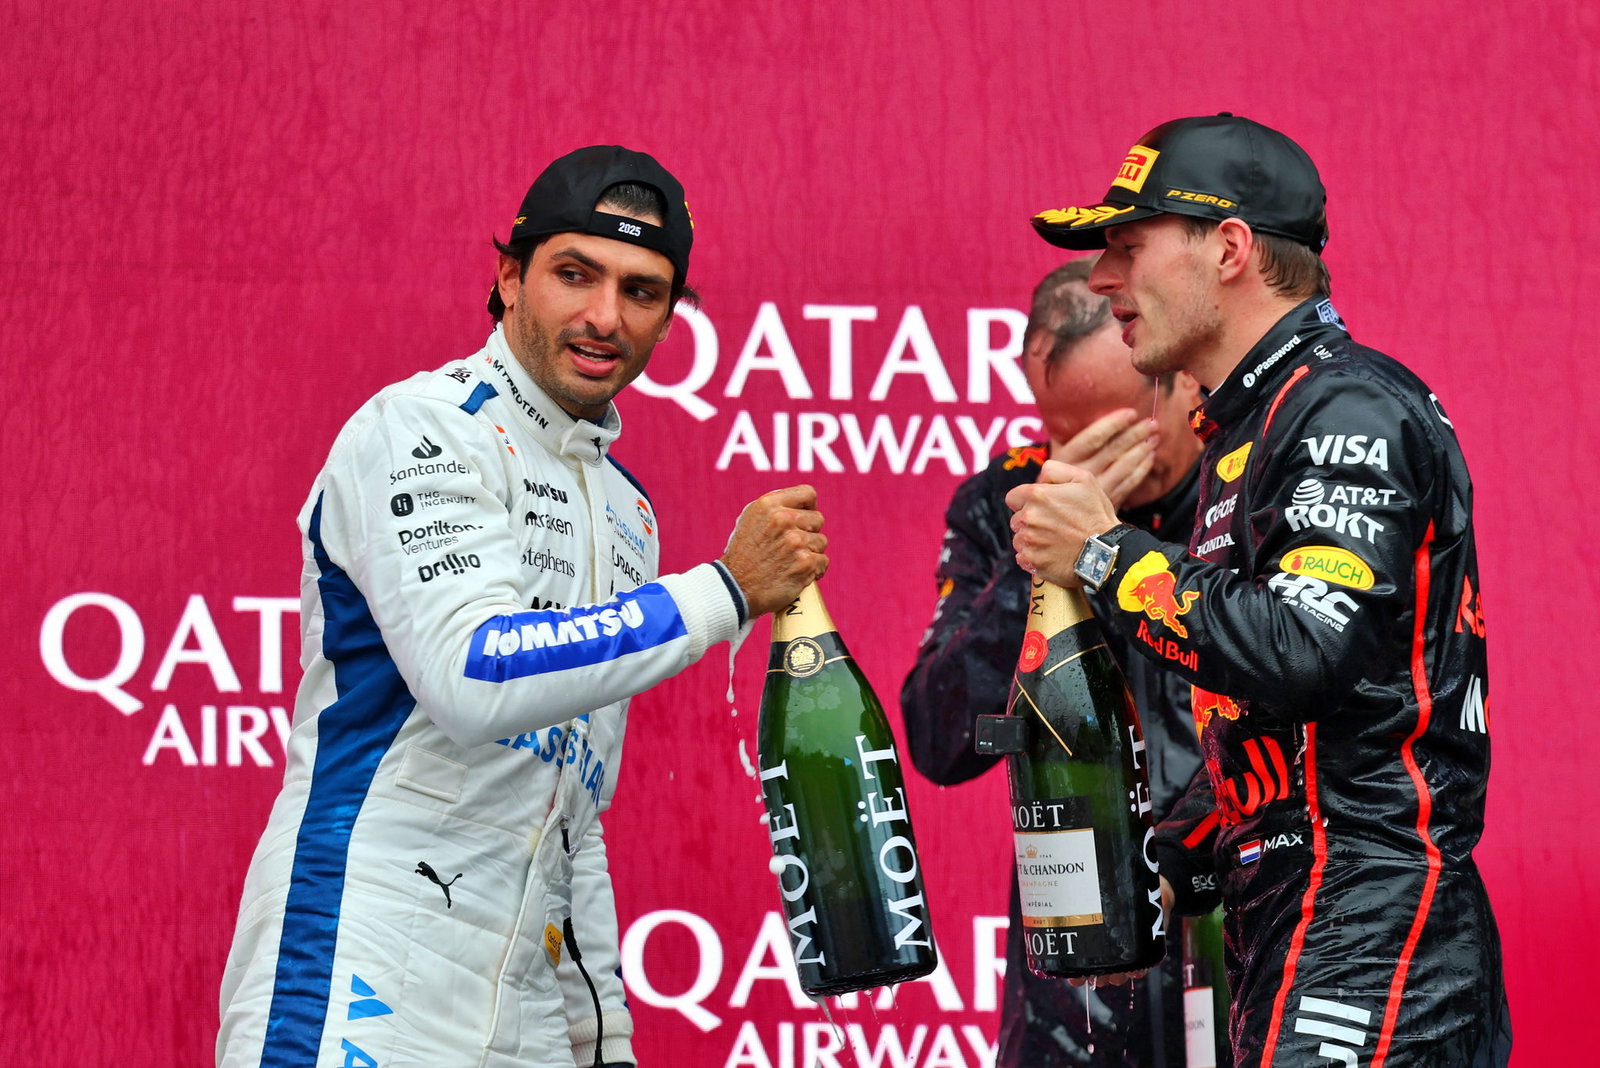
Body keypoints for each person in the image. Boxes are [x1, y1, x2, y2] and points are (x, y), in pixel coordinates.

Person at [216, 146, 828, 1068]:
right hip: (364, 960)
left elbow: (570, 812)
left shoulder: (628, 512)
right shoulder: (422, 428)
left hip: (528, 1012)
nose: (603, 317)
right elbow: (474, 675)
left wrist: (604, 1035)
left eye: (642, 291)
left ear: (670, 319)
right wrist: (726, 592)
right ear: (509, 277)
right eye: (574, 274)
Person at [1010, 113, 1511, 1065]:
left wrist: (1107, 554)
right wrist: (1171, 854)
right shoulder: (1249, 425)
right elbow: (1291, 720)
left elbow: (1307, 649)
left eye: (1127, 247)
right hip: (1301, 919)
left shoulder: (1343, 406)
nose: (1103, 279)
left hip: (1371, 922)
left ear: (1230, 248)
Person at [900, 256, 1209, 1066]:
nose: (1097, 460)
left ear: (1183, 377)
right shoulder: (1003, 502)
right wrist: (1039, 565)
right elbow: (940, 738)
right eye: (1068, 436)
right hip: (1074, 996)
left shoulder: (1247, 489)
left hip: (1236, 938)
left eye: (1118, 426)